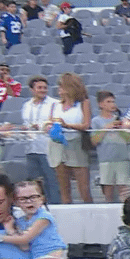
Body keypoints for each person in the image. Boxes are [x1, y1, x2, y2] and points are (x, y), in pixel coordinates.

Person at [49, 72, 93, 204]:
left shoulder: (83, 103)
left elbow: (86, 124)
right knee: (64, 188)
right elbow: (50, 121)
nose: (59, 89)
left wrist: (67, 125)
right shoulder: (55, 105)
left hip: (76, 143)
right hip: (57, 144)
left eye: (62, 86)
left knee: (84, 189)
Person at [20, 76, 61, 205]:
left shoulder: (55, 103)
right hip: (31, 148)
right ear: (32, 90)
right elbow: (26, 123)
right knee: (35, 182)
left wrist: (42, 126)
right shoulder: (26, 105)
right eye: (39, 88)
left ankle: (55, 206)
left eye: (45, 87)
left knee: (52, 180)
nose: (43, 90)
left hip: (48, 147)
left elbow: (57, 123)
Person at [91, 90, 130, 202]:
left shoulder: (121, 120)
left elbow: (129, 139)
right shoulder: (96, 121)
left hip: (122, 159)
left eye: (113, 101)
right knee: (108, 189)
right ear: (101, 104)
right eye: (108, 101)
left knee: (124, 190)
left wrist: (121, 128)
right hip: (106, 160)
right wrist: (105, 128)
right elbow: (94, 141)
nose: (112, 104)